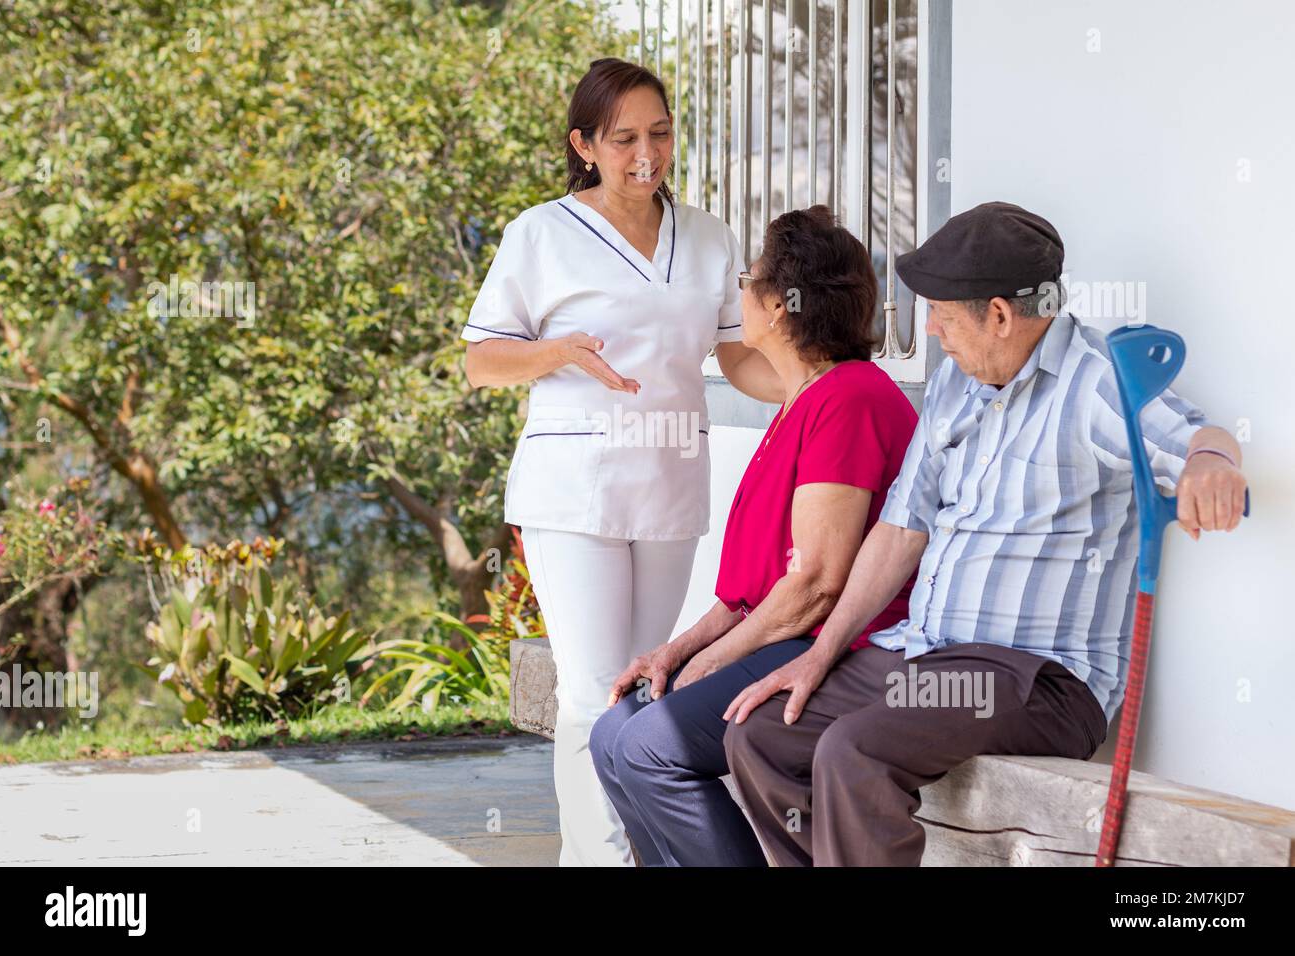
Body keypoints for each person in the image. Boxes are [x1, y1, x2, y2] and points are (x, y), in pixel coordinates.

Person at [722, 201, 1250, 866]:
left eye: (942, 313)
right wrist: (820, 654)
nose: (934, 330)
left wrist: (1212, 466)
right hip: (923, 655)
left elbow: (1198, 440)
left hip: (1039, 680)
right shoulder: (955, 386)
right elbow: (898, 531)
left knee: (852, 751)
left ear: (1000, 315)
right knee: (761, 735)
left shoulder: (1095, 385)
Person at [460, 58, 775, 866]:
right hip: (574, 492)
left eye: (661, 133)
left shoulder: (708, 237)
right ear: (584, 144)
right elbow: (481, 362)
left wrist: (819, 388)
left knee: (646, 690)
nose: (647, 153)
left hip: (669, 486)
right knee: (590, 688)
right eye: (625, 137)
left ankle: (636, 853)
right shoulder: (541, 233)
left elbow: (738, 359)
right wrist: (556, 350)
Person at [588, 205, 919, 866]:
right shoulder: (802, 400)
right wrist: (674, 653)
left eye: (747, 280)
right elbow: (752, 591)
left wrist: (708, 665)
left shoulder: (849, 399)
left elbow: (817, 585)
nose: (738, 292)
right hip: (781, 633)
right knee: (613, 734)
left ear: (778, 307)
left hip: (844, 649)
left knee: (651, 746)